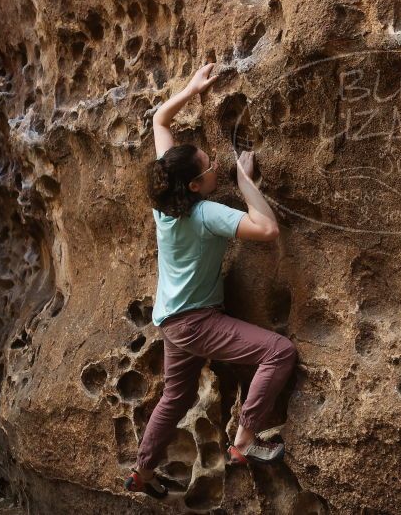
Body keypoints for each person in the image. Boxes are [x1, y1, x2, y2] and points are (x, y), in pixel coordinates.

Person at [124, 63, 297, 498]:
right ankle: (244, 441)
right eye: (209, 167)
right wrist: (243, 181)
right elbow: (268, 228)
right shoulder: (206, 215)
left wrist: (191, 88)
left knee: (176, 398)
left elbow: (159, 120)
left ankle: (142, 474)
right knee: (279, 352)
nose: (214, 164)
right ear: (197, 186)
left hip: (171, 320)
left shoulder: (164, 200)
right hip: (196, 322)